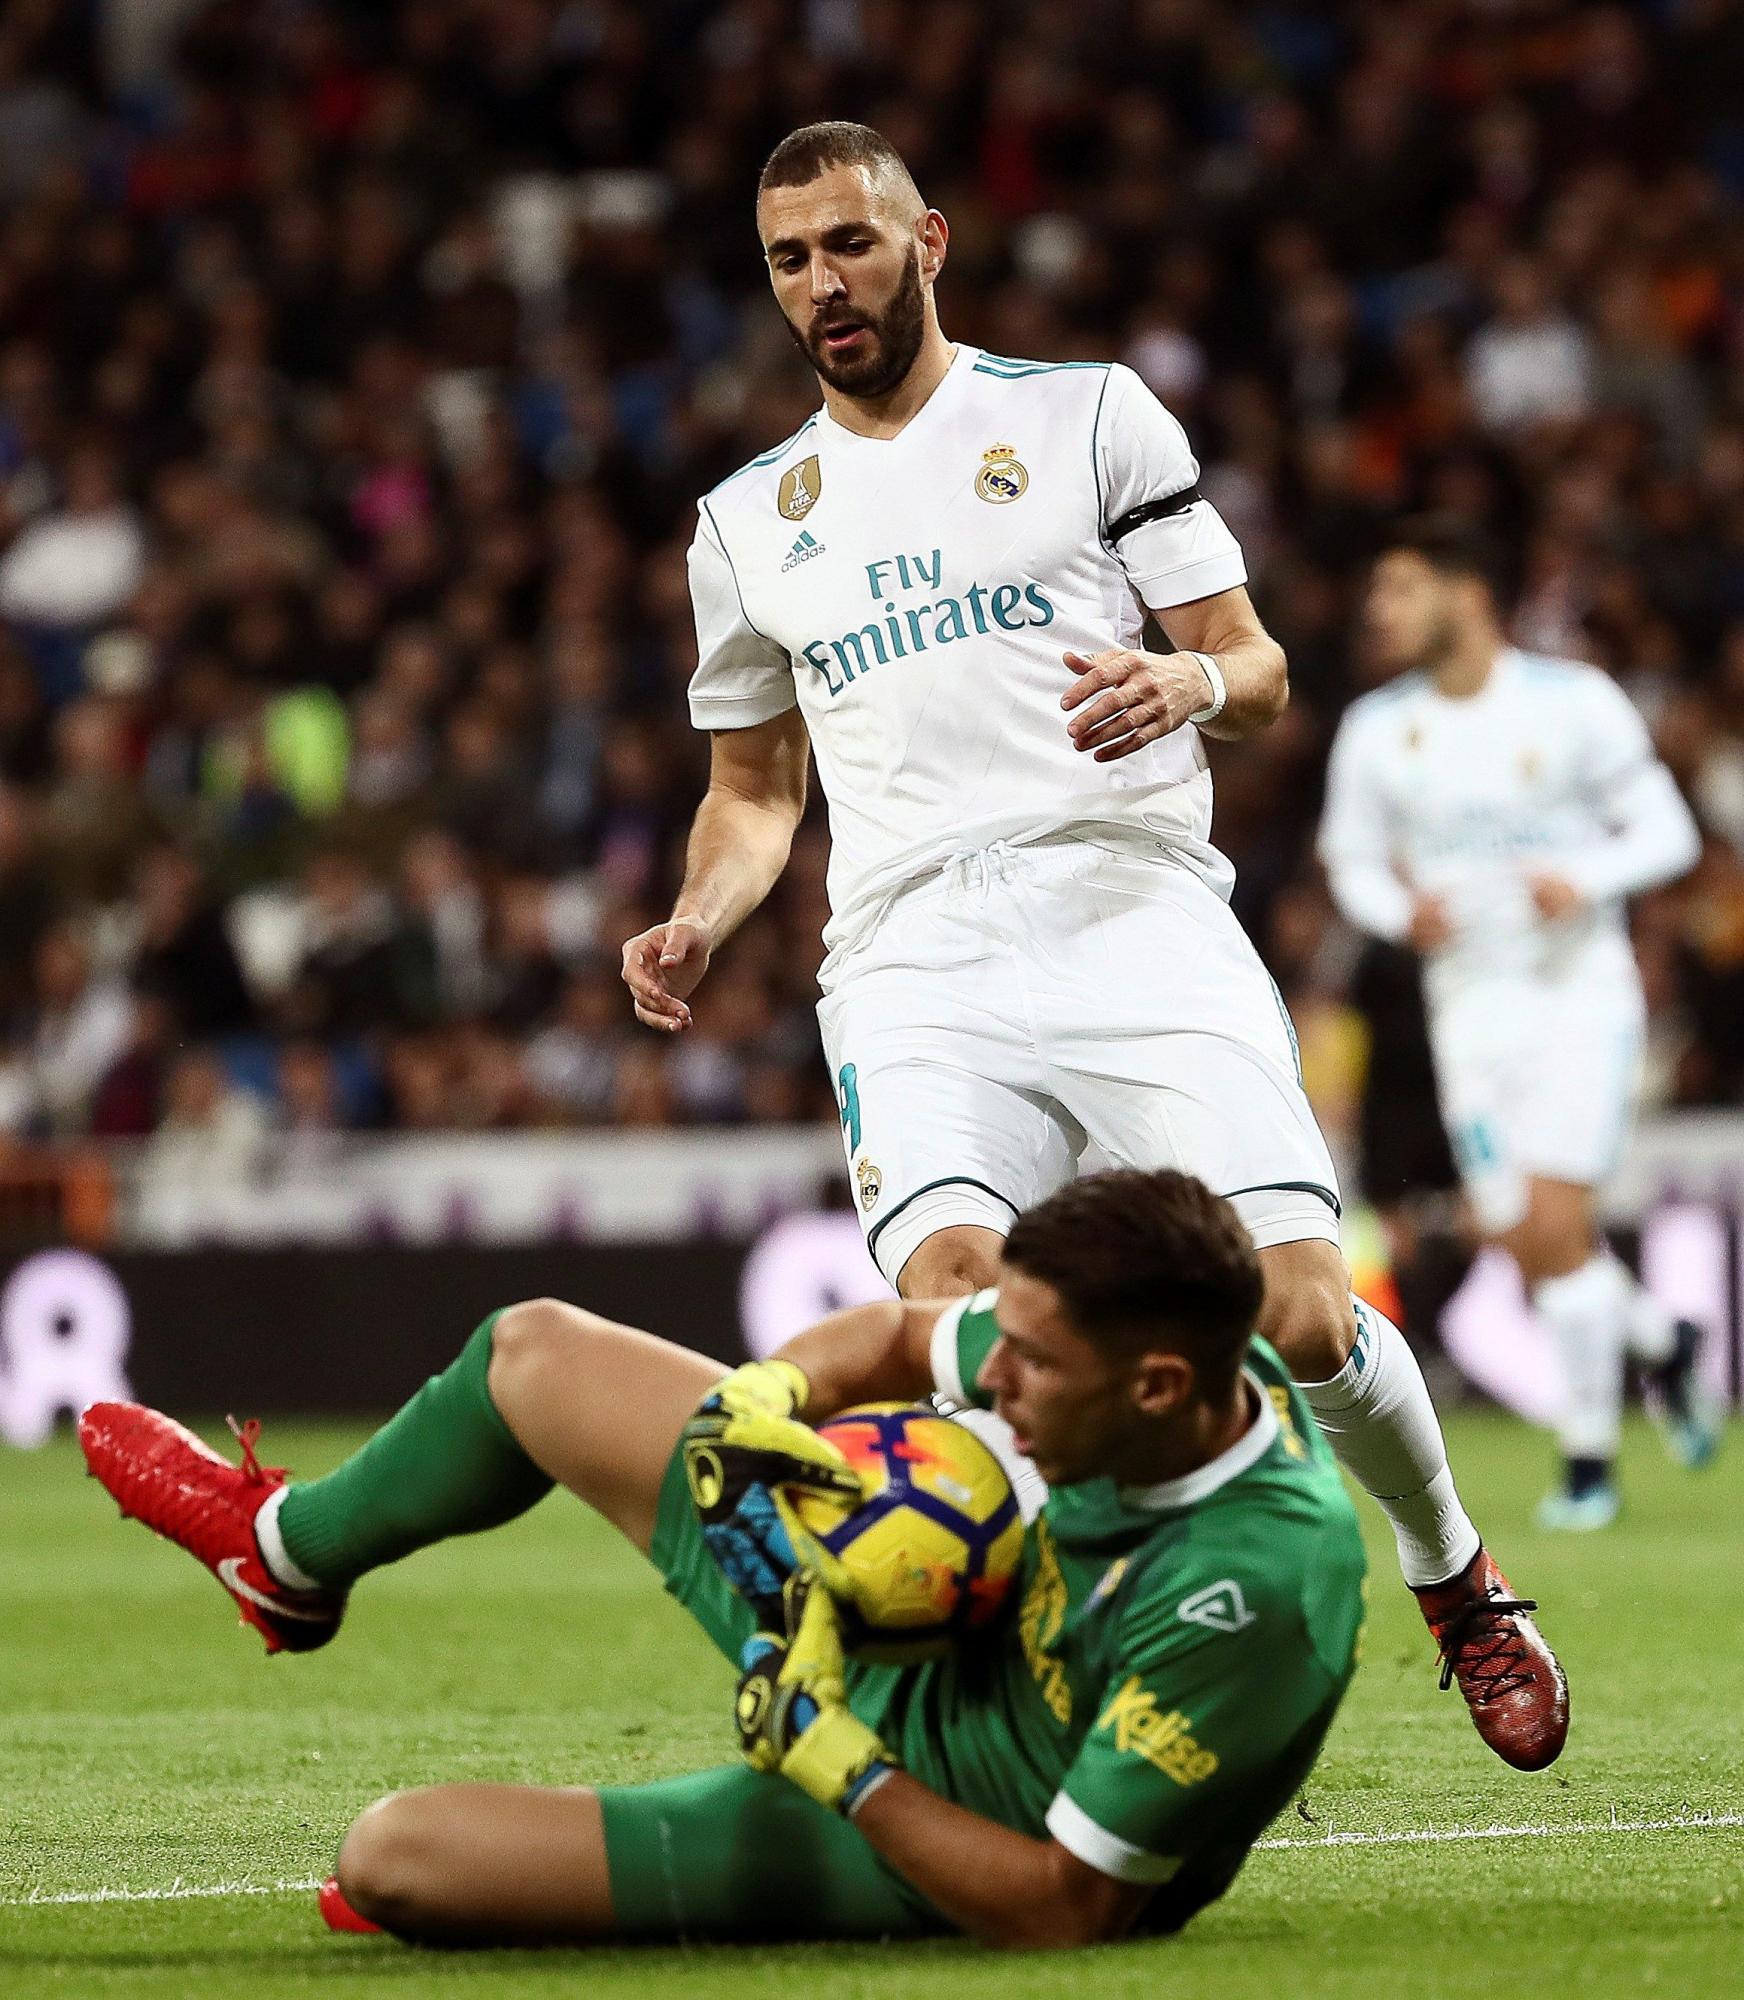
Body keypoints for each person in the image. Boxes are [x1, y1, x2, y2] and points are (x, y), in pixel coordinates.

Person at [618, 120, 1564, 1762]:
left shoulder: (1084, 416)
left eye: (847, 242)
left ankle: (1451, 1571)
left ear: (926, 242)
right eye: (785, 260)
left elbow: (1253, 664)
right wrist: (700, 914)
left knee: (1302, 1314)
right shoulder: (742, 522)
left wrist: (1185, 683)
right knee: (971, 1318)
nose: (819, 284)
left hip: (1127, 910)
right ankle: (1066, 1661)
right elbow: (752, 794)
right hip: (909, 958)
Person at [84, 1170, 1371, 1948]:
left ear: (1156, 1386)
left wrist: (837, 1761)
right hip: (898, 1604)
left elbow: (1067, 1906)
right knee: (531, 1350)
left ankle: (536, 1883)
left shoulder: (1252, 1584)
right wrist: (766, 1395)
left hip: (945, 1818)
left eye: (1032, 1364)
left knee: (397, 1856)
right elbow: (893, 1333)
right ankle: (282, 1554)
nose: (994, 1377)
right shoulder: (1158, 1338)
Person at [1319, 520, 1719, 1529]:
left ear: (1467, 593)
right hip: (1468, 1009)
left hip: (1577, 996)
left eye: (1402, 589)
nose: (1382, 611)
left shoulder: (1570, 702)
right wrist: (1395, 911)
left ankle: (1587, 1459)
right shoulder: (1377, 728)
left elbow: (1667, 829)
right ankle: (1664, 1343)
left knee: (1550, 1219)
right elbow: (1352, 860)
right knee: (1519, 1233)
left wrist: (1581, 877)